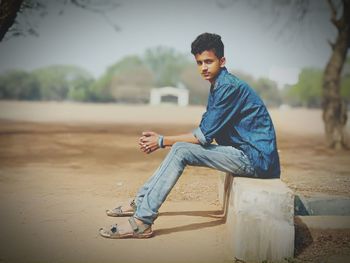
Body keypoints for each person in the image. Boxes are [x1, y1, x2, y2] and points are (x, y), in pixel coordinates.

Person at [99, 32, 280, 239]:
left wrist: (161, 141)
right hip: (244, 154)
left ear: (222, 61)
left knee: (181, 149)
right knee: (180, 148)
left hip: (255, 160)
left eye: (209, 61)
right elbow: (205, 132)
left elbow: (202, 137)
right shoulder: (219, 85)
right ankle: (141, 203)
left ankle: (142, 221)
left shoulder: (228, 87)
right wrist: (164, 140)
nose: (203, 67)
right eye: (199, 62)